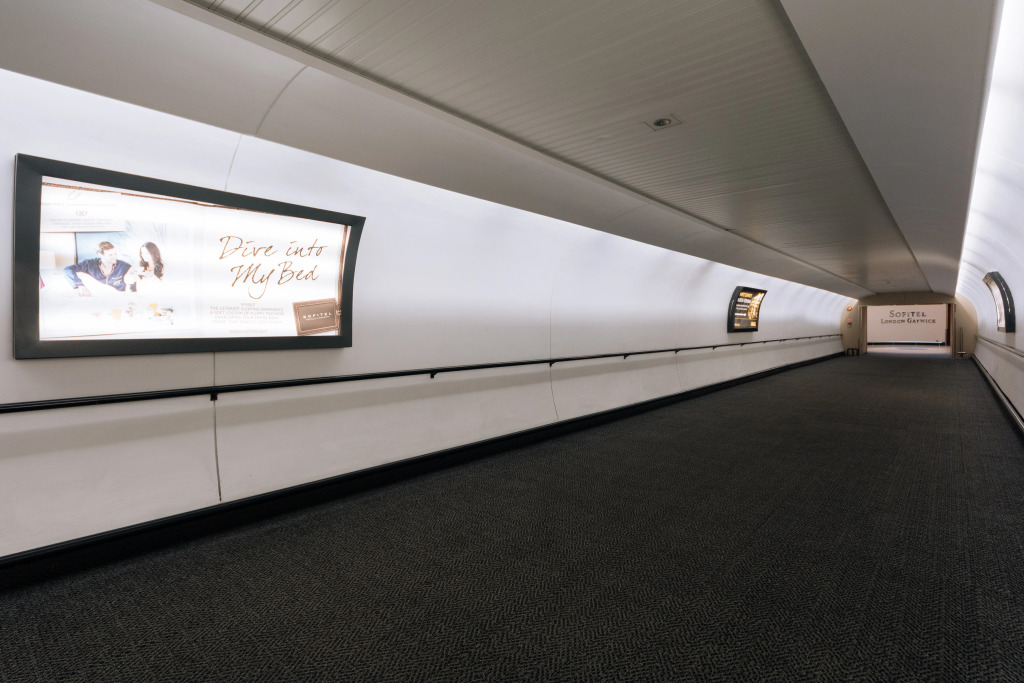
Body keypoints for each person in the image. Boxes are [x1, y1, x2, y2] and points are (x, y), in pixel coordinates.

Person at [63, 241, 133, 296]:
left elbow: (133, 289)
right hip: (96, 301)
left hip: (117, 300)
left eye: (115, 254)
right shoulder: (89, 264)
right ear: (100, 255)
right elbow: (67, 270)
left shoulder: (124, 266)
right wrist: (80, 285)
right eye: (110, 255)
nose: (114, 257)